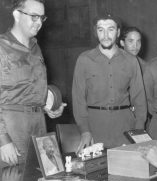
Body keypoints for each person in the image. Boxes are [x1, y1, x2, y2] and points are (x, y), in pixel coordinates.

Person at [0, 0, 66, 167]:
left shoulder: (36, 48)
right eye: (34, 17)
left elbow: (28, 88)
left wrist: (47, 105)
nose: (39, 23)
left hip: (39, 127)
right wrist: (3, 140)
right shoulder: (2, 47)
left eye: (42, 18)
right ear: (16, 14)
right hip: (12, 128)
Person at [72, 14, 147, 151]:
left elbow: (140, 99)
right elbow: (78, 100)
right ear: (96, 32)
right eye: (101, 30)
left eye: (110, 29)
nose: (105, 35)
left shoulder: (131, 60)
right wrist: (85, 131)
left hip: (125, 128)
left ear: (118, 32)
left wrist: (139, 130)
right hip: (95, 128)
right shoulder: (84, 60)